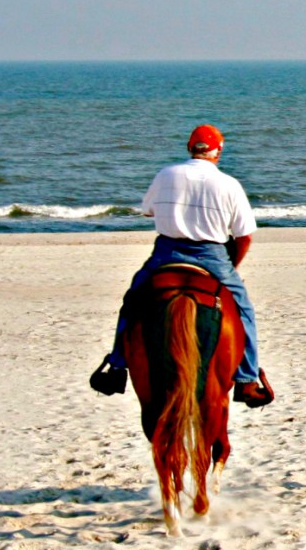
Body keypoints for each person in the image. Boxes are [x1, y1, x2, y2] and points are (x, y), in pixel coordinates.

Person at [89, 125, 274, 408]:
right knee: (243, 309)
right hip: (211, 255)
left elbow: (148, 209)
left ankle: (116, 367)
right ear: (218, 152)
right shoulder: (228, 184)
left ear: (190, 148)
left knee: (133, 300)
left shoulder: (166, 174)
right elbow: (244, 236)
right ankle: (247, 380)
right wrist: (231, 267)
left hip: (167, 251)